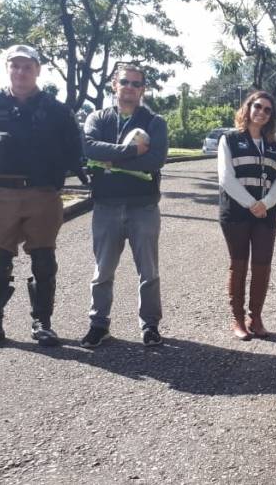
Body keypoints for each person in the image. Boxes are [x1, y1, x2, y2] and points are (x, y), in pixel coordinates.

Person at [0, 44, 86, 351]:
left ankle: (42, 324)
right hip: (1, 195)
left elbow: (74, 150)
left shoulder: (57, 110)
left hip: (42, 194)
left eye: (27, 66)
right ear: (8, 68)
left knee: (44, 262)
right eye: (15, 66)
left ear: (37, 70)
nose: (21, 72)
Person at [79, 64, 168, 348]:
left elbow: (154, 160)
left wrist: (109, 160)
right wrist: (130, 152)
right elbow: (90, 147)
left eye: (136, 84)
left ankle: (150, 325)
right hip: (106, 205)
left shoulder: (155, 122)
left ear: (143, 90)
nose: (130, 87)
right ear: (114, 85)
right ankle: (98, 324)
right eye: (125, 82)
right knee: (102, 270)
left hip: (143, 207)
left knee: (148, 271)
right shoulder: (98, 118)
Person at [216, 92, 276, 340]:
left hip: (266, 214)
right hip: (236, 213)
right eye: (258, 107)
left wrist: (264, 203)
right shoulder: (230, 139)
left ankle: (255, 317)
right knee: (239, 264)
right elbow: (226, 178)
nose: (262, 113)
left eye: (268, 110)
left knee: (262, 266)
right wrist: (250, 203)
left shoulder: (275, 145)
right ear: (248, 108)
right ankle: (237, 319)